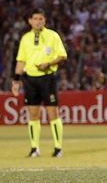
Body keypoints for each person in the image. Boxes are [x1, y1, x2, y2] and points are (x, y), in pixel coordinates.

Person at [11, 9, 68, 158]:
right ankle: (34, 148)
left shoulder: (52, 35)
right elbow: (21, 60)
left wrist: (48, 63)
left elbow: (63, 55)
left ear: (45, 20)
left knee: (52, 114)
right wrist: (16, 80)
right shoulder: (25, 38)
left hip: (47, 78)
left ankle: (58, 148)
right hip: (29, 80)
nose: (38, 21)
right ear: (30, 21)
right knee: (33, 115)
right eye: (35, 19)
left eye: (41, 19)